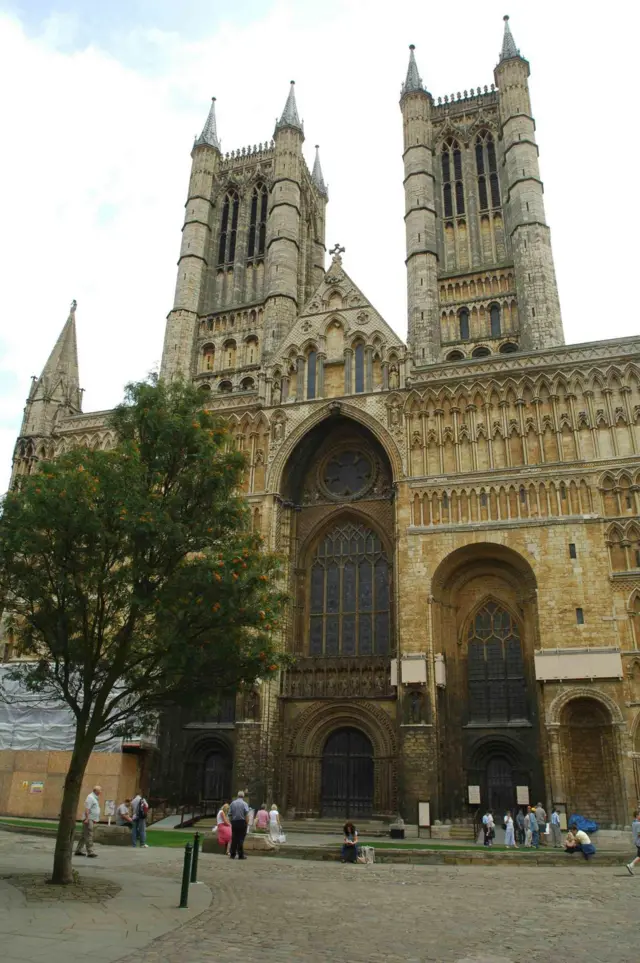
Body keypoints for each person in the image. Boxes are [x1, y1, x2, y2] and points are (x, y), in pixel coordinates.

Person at [75, 784, 102, 858]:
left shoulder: (94, 798)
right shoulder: (90, 797)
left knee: (84, 835)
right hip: (88, 819)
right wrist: (87, 818)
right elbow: (87, 809)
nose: (100, 792)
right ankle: (90, 851)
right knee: (89, 834)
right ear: (95, 791)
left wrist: (95, 819)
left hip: (91, 819)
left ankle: (78, 850)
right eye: (99, 790)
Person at [229, 790, 250, 859]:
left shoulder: (232, 803)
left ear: (238, 796)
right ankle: (240, 855)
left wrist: (231, 822)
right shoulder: (245, 804)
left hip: (234, 822)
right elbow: (246, 814)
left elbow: (230, 814)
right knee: (241, 838)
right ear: (243, 796)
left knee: (234, 838)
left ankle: (232, 854)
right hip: (242, 822)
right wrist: (247, 823)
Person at [624, 809, 640, 875]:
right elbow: (639, 834)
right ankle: (630, 865)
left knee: (639, 855)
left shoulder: (634, 823)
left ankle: (631, 865)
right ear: (637, 815)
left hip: (636, 842)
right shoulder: (639, 823)